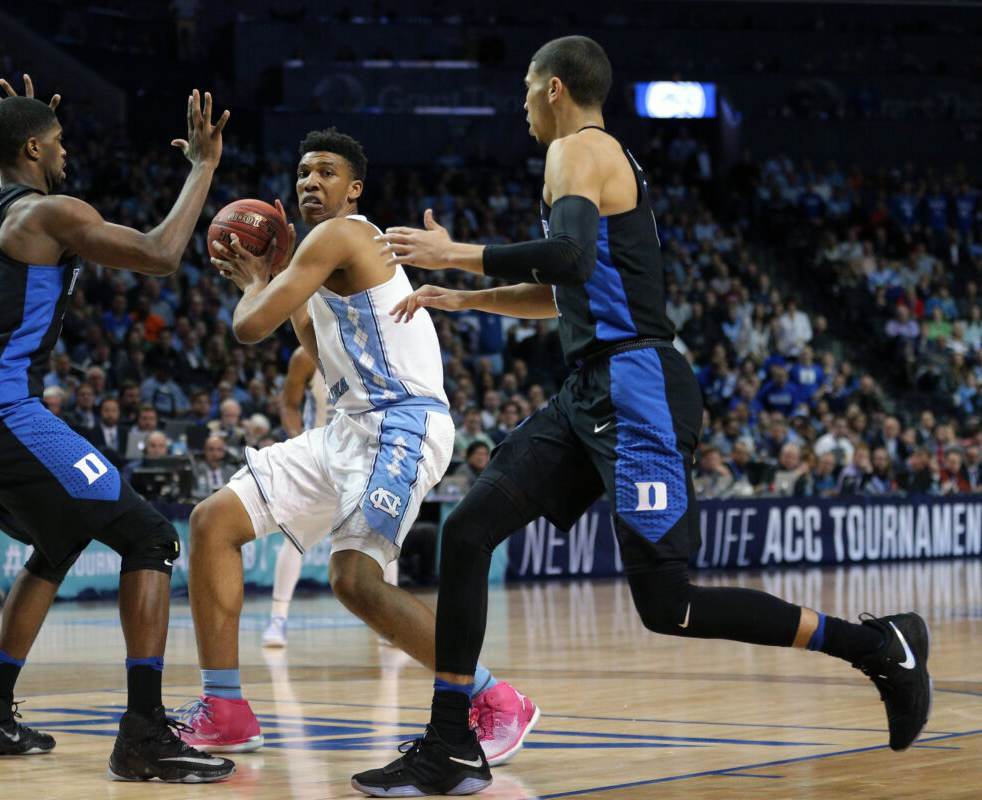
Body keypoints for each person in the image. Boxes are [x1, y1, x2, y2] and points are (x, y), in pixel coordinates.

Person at [353, 37, 930, 796]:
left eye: (526, 90)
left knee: (670, 603)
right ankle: (451, 743)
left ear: (554, 89)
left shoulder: (578, 150)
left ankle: (873, 645)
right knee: (467, 532)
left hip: (637, 388)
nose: (521, 106)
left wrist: (456, 254)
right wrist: (466, 300)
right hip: (593, 385)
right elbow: (570, 286)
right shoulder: (586, 162)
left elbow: (567, 262)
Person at [187, 128, 538, 767]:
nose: (309, 182)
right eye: (301, 173)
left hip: (401, 424)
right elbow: (319, 353)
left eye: (325, 172)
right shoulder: (319, 257)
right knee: (212, 523)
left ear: (354, 190)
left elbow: (248, 327)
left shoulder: (343, 234)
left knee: (353, 580)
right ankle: (226, 710)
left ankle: (494, 698)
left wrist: (252, 284)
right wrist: (275, 278)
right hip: (349, 427)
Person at [0, 76, 234, 782]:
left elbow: (16, 142)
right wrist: (204, 167)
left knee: (59, 539)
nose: (68, 153)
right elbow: (159, 254)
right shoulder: (48, 212)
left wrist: (23, 119)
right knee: (152, 535)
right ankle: (144, 736)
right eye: (57, 143)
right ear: (33, 149)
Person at [261, 346, 398, 648]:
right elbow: (289, 406)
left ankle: (390, 624)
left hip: (366, 455)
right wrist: (302, 443)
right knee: (295, 536)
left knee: (381, 535)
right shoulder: (304, 355)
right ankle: (278, 619)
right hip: (322, 456)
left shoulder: (372, 349)